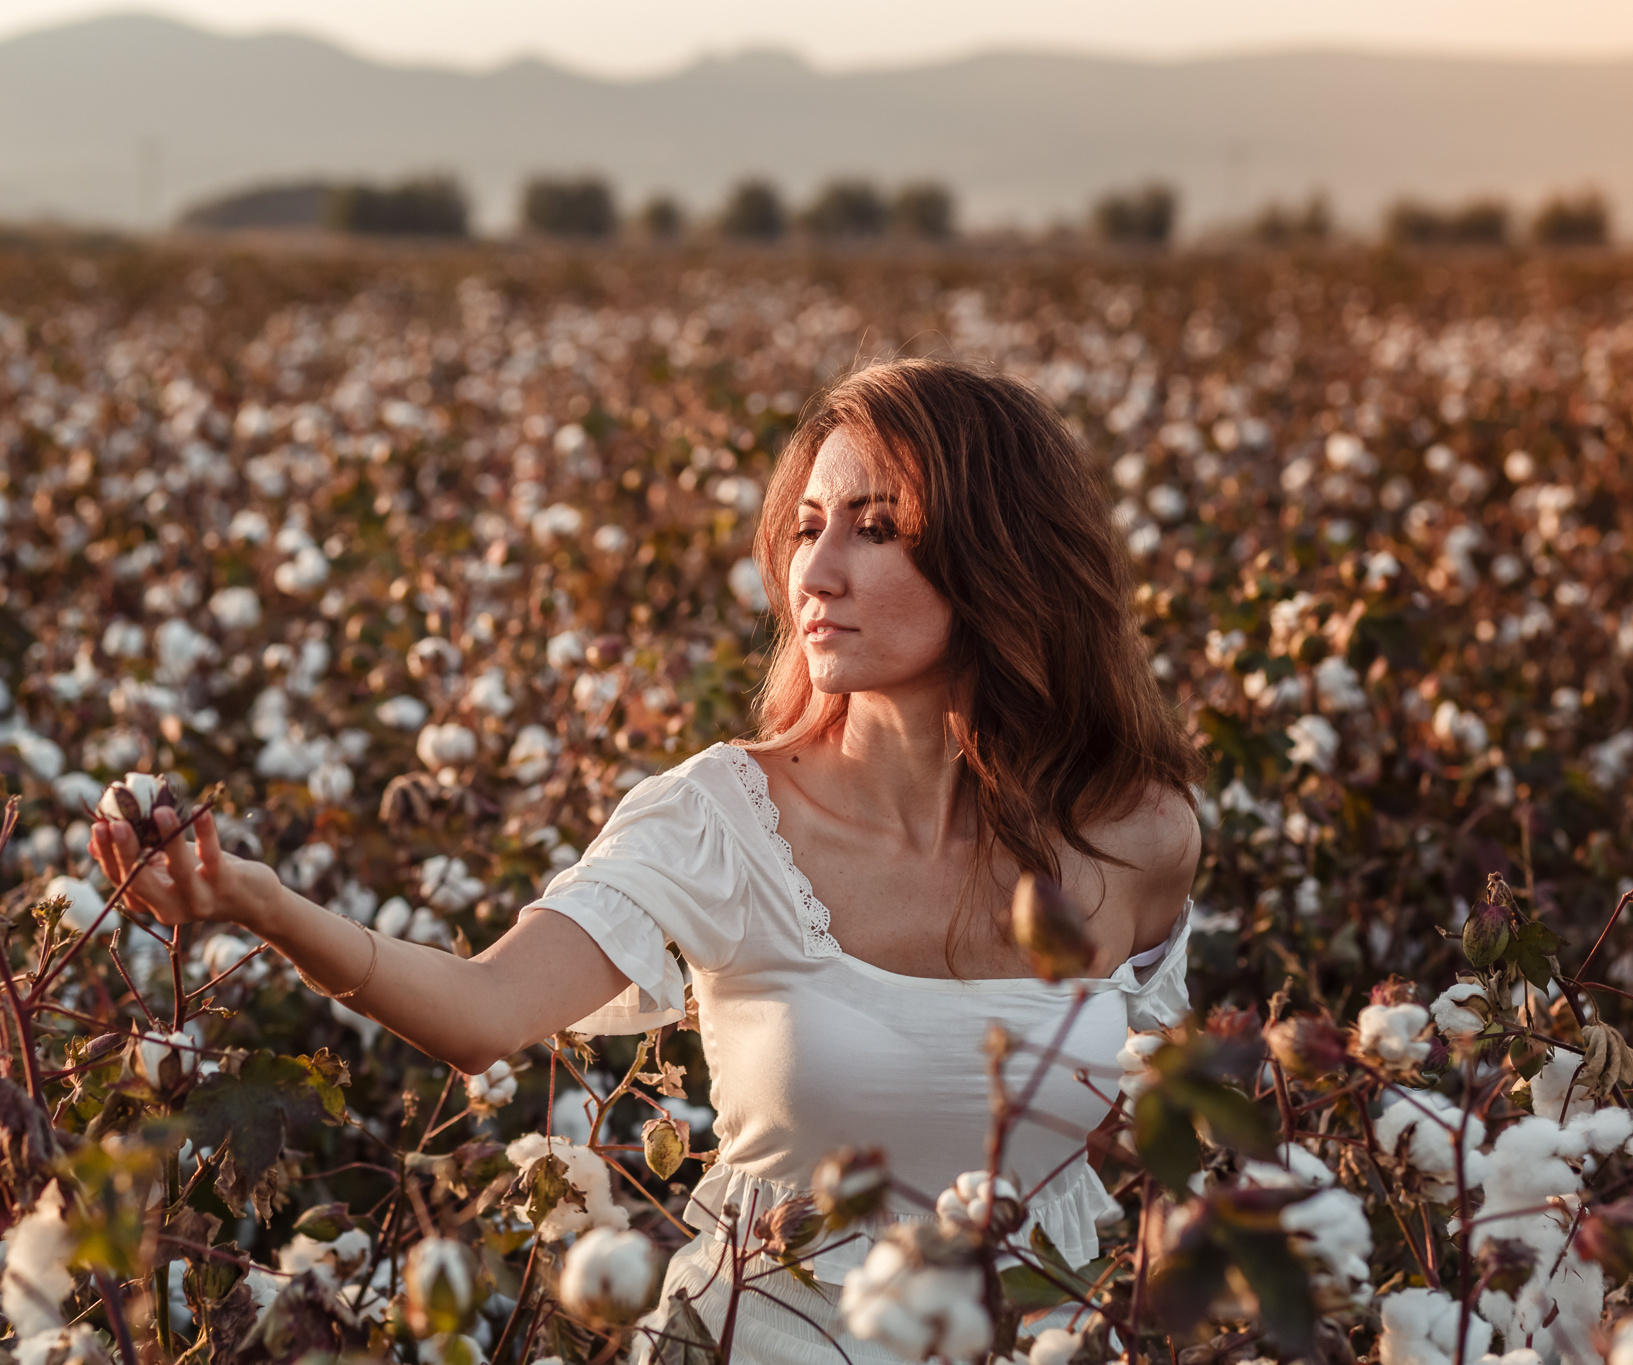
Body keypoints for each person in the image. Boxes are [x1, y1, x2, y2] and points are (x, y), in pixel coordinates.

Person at [91, 358, 1204, 1363]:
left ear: (1001, 555)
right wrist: (261, 901)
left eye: (875, 529)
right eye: (806, 524)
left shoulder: (1132, 840)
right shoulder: (721, 819)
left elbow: (1144, 1146)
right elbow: (482, 1011)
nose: (813, 573)